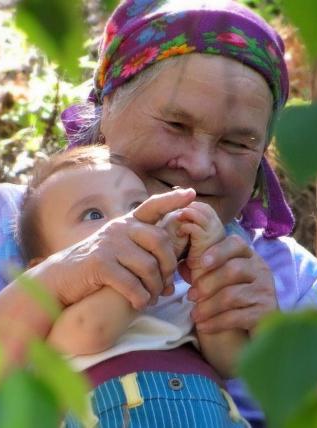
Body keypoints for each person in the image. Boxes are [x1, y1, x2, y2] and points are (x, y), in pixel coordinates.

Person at [0, 0, 317, 427]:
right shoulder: (1, 225)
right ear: (107, 108)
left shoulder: (289, 280)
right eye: (176, 123)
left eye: (237, 142)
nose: (199, 164)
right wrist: (54, 283)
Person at [18, 144, 248, 426]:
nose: (125, 222)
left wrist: (208, 265)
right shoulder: (58, 321)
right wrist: (159, 255)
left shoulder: (178, 290)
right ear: (44, 269)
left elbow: (230, 360)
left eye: (137, 206)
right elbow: (95, 330)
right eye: (93, 214)